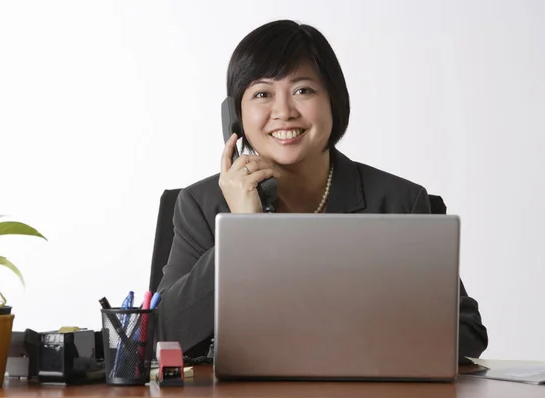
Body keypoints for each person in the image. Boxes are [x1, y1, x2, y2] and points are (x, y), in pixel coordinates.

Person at [155, 19, 488, 364]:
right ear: (236, 118)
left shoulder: (399, 202)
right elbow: (162, 337)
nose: (283, 112)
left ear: (334, 101)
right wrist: (242, 233)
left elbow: (467, 334)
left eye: (303, 90)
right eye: (262, 94)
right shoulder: (202, 204)